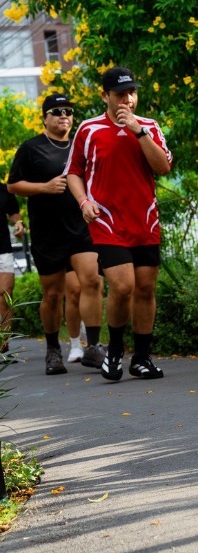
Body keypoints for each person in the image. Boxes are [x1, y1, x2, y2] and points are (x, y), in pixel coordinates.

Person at [65, 67, 172, 383]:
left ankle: (141, 358)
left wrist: (138, 131)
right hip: (107, 221)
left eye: (132, 93)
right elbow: (74, 172)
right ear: (105, 96)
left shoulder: (149, 126)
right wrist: (83, 202)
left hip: (145, 220)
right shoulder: (89, 129)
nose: (128, 99)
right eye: (120, 94)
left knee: (146, 288)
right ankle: (113, 352)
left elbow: (163, 167)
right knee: (123, 286)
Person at [8, 95, 104, 376]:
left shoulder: (81, 146)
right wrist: (44, 187)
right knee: (52, 294)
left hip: (81, 227)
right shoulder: (31, 148)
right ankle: (53, 349)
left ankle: (93, 347)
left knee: (92, 281)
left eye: (68, 111)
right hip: (48, 232)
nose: (64, 115)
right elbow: (13, 186)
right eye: (57, 111)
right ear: (45, 118)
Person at [0, 183, 23, 354]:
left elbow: (14, 213)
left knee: (5, 295)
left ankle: (4, 344)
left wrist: (19, 223)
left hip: (3, 249)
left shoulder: (4, 190)